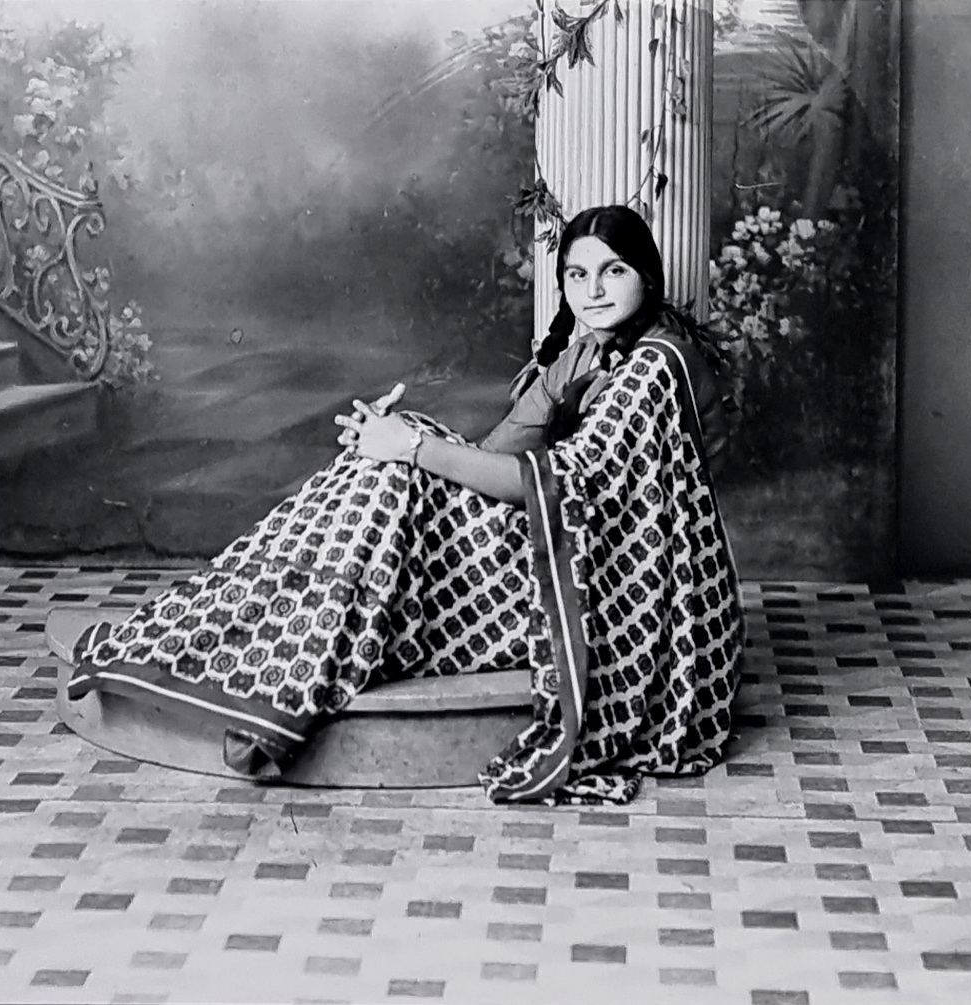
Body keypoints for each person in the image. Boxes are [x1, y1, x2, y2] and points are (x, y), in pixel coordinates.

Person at [61, 204, 744, 804]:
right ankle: (263, 629)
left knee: (398, 470)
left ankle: (290, 672)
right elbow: (497, 451)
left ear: (647, 277)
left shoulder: (657, 364)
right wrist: (396, 437)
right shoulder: (588, 351)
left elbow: (561, 484)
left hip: (613, 580)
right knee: (388, 469)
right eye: (576, 274)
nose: (592, 291)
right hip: (561, 541)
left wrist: (412, 448)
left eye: (612, 272)